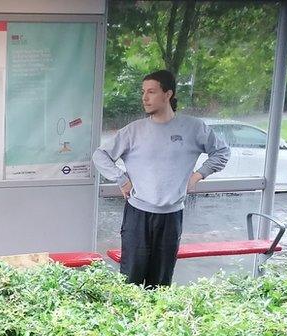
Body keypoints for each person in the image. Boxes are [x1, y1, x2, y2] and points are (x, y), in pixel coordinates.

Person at [92, 69, 230, 287]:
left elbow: (222, 152)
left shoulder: (193, 128)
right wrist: (121, 178)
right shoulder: (133, 131)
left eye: (151, 92)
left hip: (171, 217)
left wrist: (198, 175)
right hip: (137, 216)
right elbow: (100, 155)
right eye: (143, 92)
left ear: (168, 94)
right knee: (131, 281)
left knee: (161, 283)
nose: (145, 98)